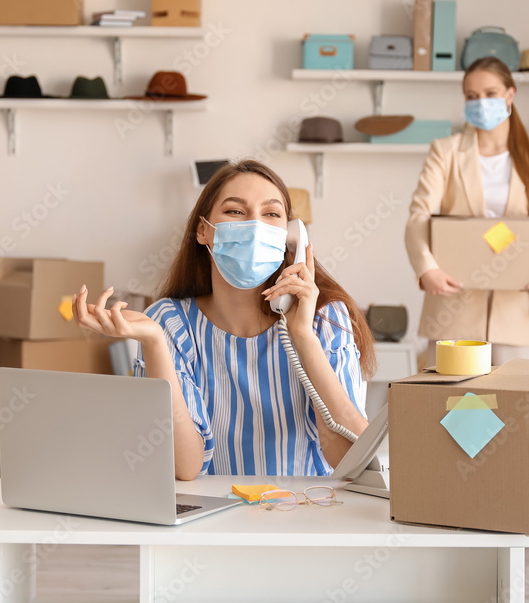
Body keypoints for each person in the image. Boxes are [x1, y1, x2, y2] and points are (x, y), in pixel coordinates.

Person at [74, 160, 375, 480]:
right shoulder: (170, 322)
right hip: (210, 522)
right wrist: (154, 342)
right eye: (235, 212)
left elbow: (353, 462)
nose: (255, 225)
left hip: (304, 515)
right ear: (203, 231)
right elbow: (184, 467)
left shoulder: (324, 318)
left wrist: (302, 336)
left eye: (271, 214)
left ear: (290, 237)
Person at [404, 57, 529, 550]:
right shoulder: (446, 151)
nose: (479, 103)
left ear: (510, 94)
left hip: (521, 306)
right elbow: (419, 216)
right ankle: (461, 503)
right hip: (455, 299)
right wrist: (427, 266)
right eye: (470, 94)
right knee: (458, 408)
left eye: (488, 93)